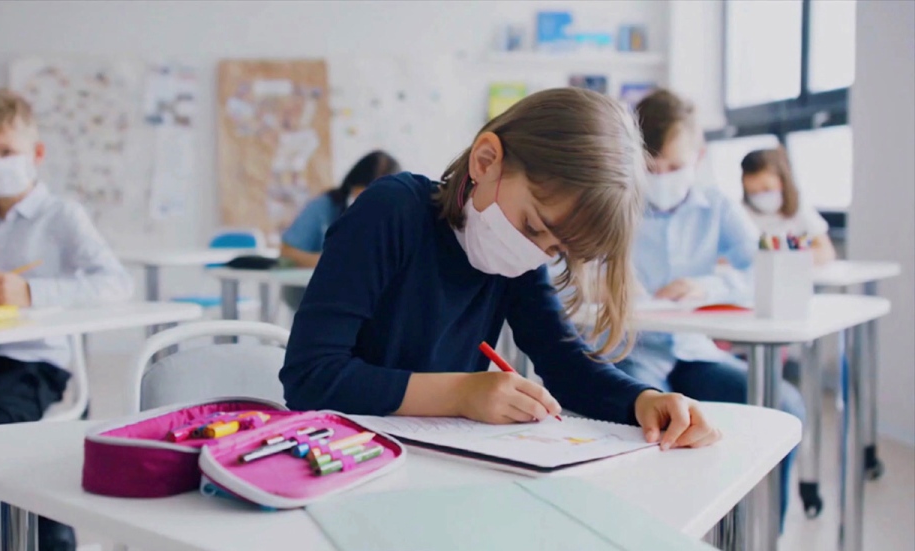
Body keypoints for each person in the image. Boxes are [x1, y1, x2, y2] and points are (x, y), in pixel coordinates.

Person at [281, 88, 721, 452]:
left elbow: (565, 362)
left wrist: (644, 399)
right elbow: (310, 376)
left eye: (557, 249)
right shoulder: (391, 211)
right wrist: (462, 393)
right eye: (534, 226)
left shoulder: (519, 257)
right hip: (344, 453)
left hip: (439, 458)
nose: (536, 253)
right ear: (486, 161)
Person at [615, 88, 805, 523]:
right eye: (651, 167)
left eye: (675, 166)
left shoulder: (716, 207)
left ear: (698, 157)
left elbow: (760, 271)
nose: (662, 177)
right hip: (633, 351)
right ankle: (651, 527)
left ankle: (761, 534)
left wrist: (707, 286)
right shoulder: (618, 203)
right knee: (636, 417)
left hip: (694, 353)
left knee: (787, 406)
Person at [0, 89, 134, 551]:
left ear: (35, 153)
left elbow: (115, 284)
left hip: (34, 364)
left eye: (5, 152)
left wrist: (32, 292)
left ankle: (38, 536)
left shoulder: (61, 217)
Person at [279, 150, 402, 268]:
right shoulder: (325, 207)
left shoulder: (402, 221)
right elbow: (287, 252)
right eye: (363, 195)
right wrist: (335, 261)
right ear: (352, 185)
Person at [741, 147, 837, 265]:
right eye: (753, 192)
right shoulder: (741, 213)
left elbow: (825, 251)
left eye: (766, 189)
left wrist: (788, 260)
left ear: (781, 181)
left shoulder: (800, 208)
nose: (760, 196)